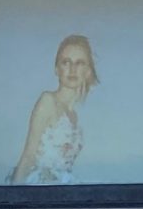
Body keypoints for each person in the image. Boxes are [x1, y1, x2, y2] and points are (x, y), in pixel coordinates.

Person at [10, 35, 98, 184]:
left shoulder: (73, 115)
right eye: (66, 62)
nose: (72, 69)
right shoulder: (48, 101)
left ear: (88, 72)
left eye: (79, 63)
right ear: (57, 69)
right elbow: (28, 155)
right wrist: (12, 200)